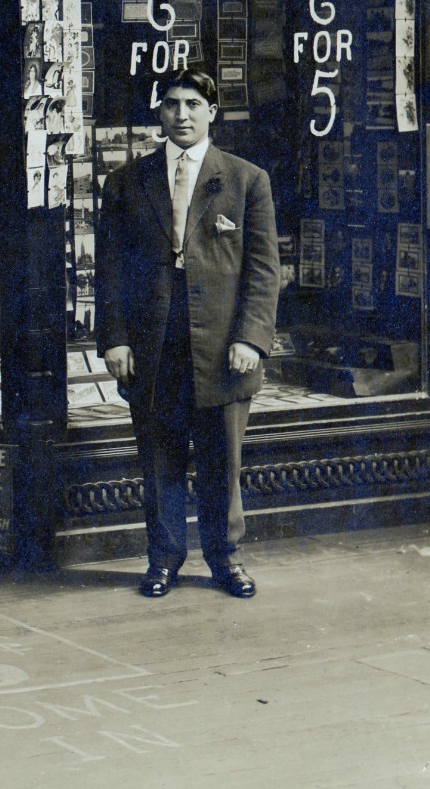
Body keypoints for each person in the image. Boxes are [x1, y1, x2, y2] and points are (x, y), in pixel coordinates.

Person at [97, 69, 279, 601]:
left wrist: (250, 338)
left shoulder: (247, 181)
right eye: (173, 104)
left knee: (223, 457)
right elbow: (109, 269)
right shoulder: (127, 183)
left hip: (225, 346)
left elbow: (264, 270)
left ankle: (226, 558)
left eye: (194, 104)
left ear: (212, 113)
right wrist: (114, 339)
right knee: (160, 455)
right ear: (160, 112)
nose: (182, 114)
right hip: (155, 343)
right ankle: (164, 558)